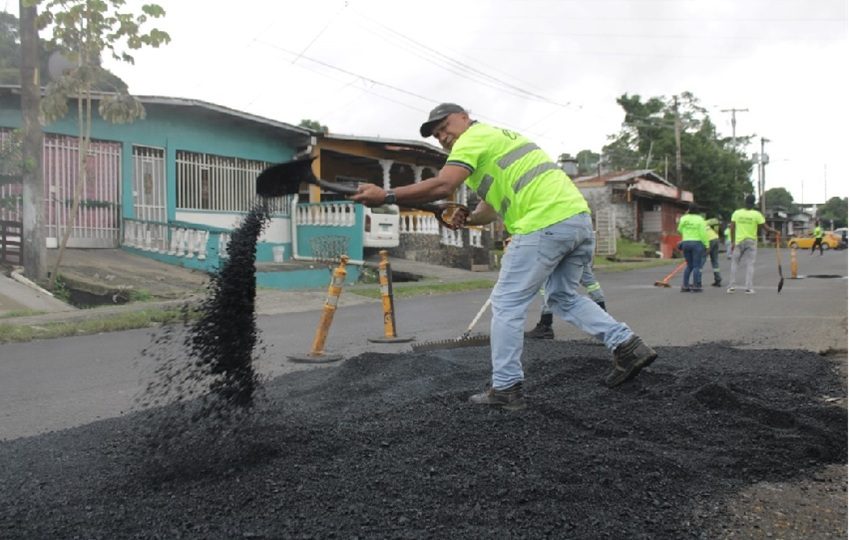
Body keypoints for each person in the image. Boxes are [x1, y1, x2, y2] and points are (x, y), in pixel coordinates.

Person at [351, 103, 657, 409]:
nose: (442, 137)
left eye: (444, 127)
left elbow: (444, 184)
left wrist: (386, 195)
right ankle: (627, 345)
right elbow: (488, 210)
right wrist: (465, 217)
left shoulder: (472, 138)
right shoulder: (498, 140)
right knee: (562, 296)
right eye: (436, 135)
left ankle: (506, 387)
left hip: (542, 224)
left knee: (507, 302)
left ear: (464, 117)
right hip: (576, 222)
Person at [526, 264, 606, 339]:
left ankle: (546, 324)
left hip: (559, 251)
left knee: (547, 283)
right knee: (590, 281)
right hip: (581, 251)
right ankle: (604, 325)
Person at [727, 194, 778, 294]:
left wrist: (732, 241)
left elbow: (732, 228)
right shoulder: (756, 214)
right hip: (751, 242)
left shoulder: (737, 213)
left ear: (745, 202)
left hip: (738, 241)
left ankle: (731, 287)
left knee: (734, 263)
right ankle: (748, 288)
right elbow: (766, 228)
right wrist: (775, 231)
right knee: (750, 264)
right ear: (753, 204)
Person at [676, 204, 709, 292]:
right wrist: (706, 245)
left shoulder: (684, 218)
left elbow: (679, 230)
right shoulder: (700, 219)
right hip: (697, 243)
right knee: (696, 266)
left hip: (686, 243)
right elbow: (703, 233)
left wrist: (687, 235)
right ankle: (695, 286)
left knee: (689, 265)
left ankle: (685, 285)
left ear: (688, 210)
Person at [703, 217, 723, 287]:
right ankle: (718, 279)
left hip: (708, 240)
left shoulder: (699, 224)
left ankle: (697, 281)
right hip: (715, 238)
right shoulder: (708, 222)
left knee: (701, 260)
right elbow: (716, 229)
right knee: (715, 261)